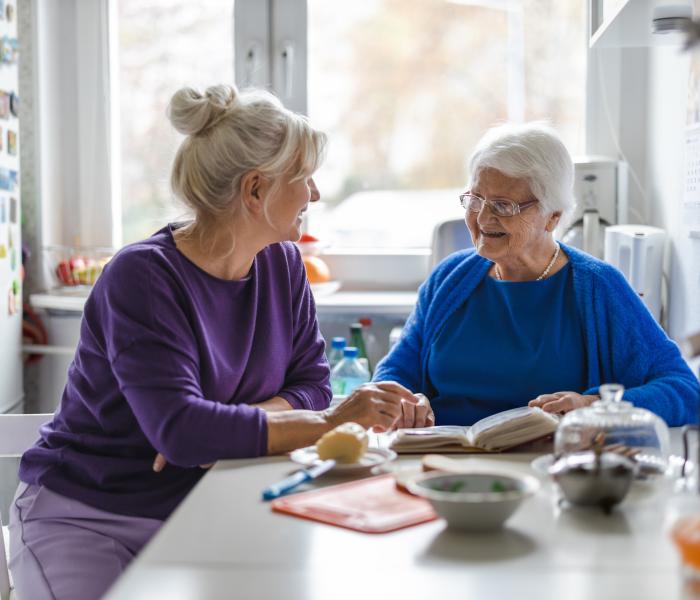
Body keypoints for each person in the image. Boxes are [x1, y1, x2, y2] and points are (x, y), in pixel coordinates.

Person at [9, 85, 416, 600]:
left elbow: (311, 382)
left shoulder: (282, 264)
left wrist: (220, 429)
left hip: (202, 507)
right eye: (304, 179)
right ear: (255, 191)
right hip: (89, 516)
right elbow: (183, 432)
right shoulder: (143, 276)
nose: (314, 195)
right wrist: (329, 423)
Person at [374, 122, 699, 428]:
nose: (483, 218)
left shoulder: (599, 287)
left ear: (551, 217)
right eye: (476, 200)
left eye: (503, 205)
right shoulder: (450, 277)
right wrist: (405, 401)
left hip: (549, 470)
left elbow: (685, 391)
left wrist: (595, 407)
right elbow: (395, 371)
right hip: (442, 462)